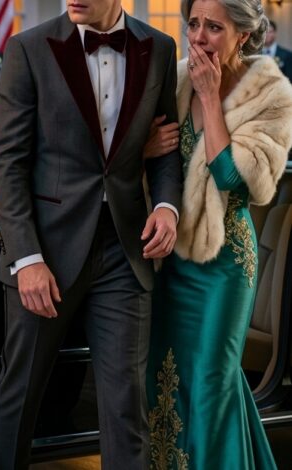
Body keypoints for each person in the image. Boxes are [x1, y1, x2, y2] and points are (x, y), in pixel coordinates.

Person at [0, 0, 183, 468]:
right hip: (46, 254)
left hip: (125, 250)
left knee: (127, 407)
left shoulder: (159, 47)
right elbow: (7, 163)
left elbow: (166, 146)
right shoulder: (27, 49)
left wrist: (166, 206)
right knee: (20, 395)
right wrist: (26, 258)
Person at [144, 0, 292, 468]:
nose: (198, 37)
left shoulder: (272, 94)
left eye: (213, 27)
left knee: (212, 382)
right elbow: (138, 162)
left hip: (226, 265)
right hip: (170, 261)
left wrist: (210, 99)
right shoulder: (174, 79)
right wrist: (145, 148)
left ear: (242, 34)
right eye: (193, 24)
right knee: (166, 382)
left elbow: (232, 177)